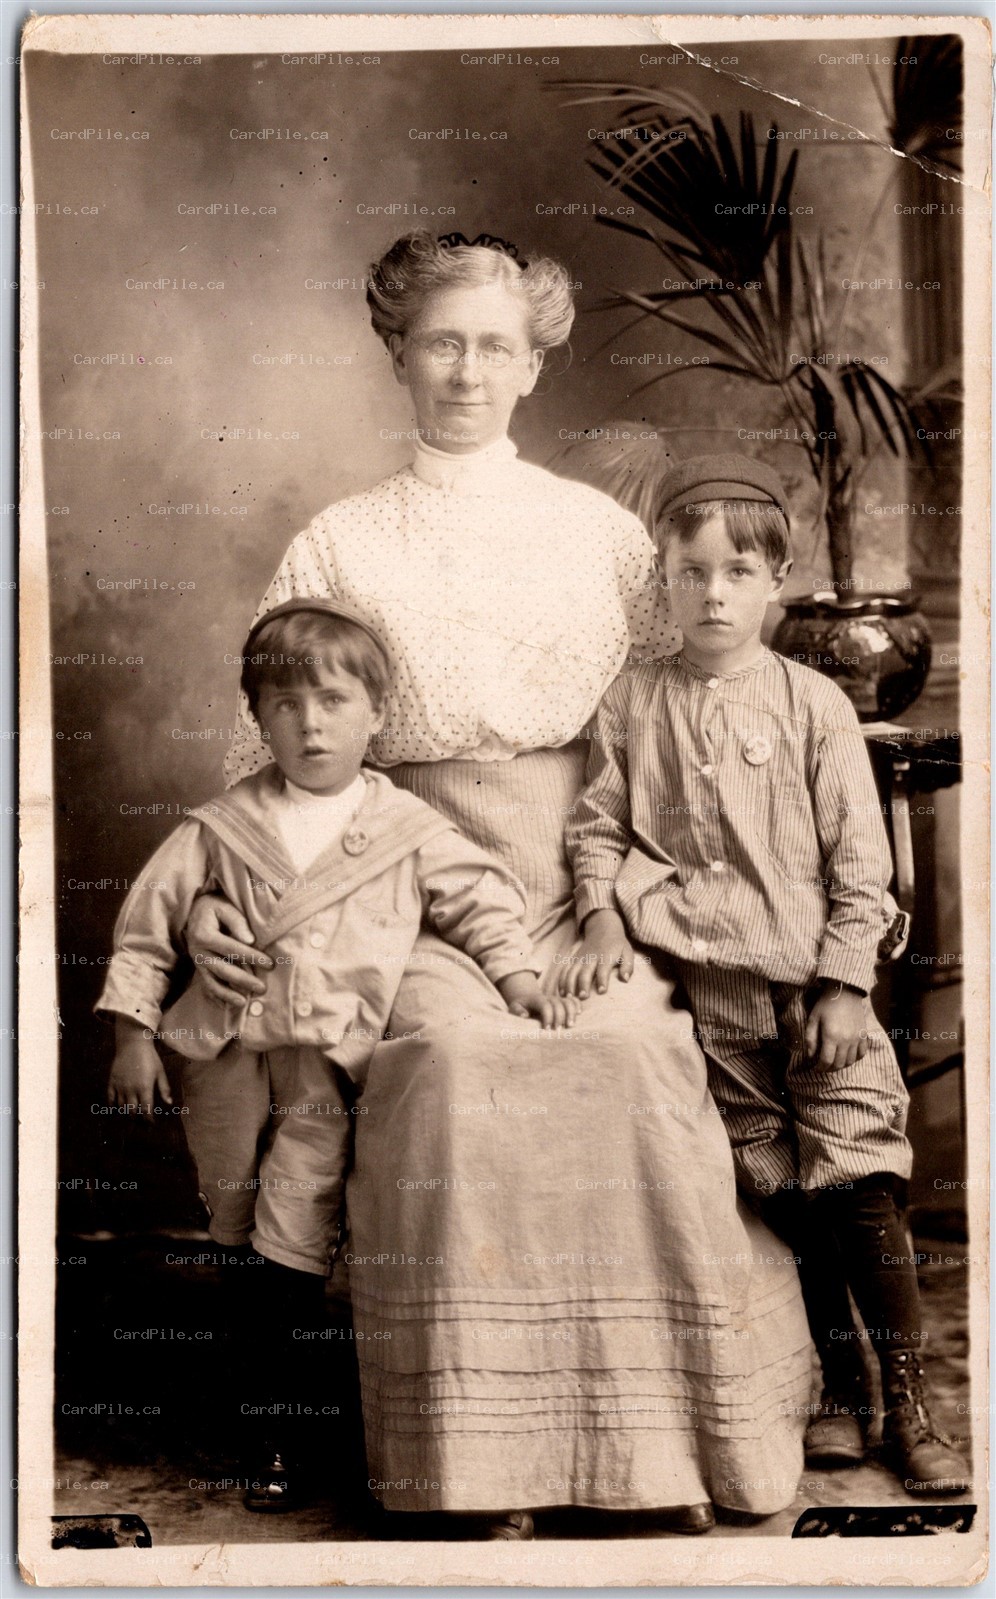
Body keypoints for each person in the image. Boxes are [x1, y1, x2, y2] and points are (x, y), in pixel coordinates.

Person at [184, 232, 814, 1539]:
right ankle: (474, 1461)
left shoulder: (605, 539)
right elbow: (266, 767)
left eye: (493, 345)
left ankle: (658, 1444)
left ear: (533, 363)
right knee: (462, 1066)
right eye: (439, 343)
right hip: (403, 898)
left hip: (584, 885)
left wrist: (617, 902)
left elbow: (667, 747)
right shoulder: (337, 539)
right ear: (399, 355)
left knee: (630, 1053)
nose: (465, 370)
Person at [97, 596, 572, 1511]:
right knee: (232, 1218)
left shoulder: (404, 828)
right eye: (284, 705)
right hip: (224, 1055)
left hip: (322, 1066)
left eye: (333, 703)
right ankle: (253, 1394)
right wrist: (131, 1035)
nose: (310, 725)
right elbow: (147, 929)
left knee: (295, 1226)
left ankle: (284, 1429)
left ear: (377, 713)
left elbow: (479, 899)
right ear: (257, 716)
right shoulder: (220, 824)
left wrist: (515, 976)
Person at [563, 454, 970, 1498]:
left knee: (860, 1188)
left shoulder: (814, 704)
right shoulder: (633, 703)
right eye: (690, 571)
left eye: (738, 571)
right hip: (714, 1002)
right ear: (662, 580)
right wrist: (602, 911)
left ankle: (912, 1405)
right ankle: (841, 1386)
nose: (713, 593)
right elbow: (598, 827)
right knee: (785, 1194)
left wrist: (843, 985)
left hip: (814, 997)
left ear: (776, 580)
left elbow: (861, 865)